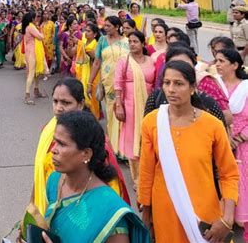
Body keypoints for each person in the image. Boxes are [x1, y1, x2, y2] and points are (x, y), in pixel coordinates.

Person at [139, 61, 239, 243]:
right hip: (166, 214)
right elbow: (146, 174)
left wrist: (227, 218)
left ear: (193, 88)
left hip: (204, 215)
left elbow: (229, 174)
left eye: (178, 84)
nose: (171, 89)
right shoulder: (151, 123)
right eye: (167, 83)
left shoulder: (212, 125)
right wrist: (146, 219)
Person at [41, 111, 150, 243]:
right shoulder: (54, 181)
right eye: (55, 142)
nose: (53, 149)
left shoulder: (110, 210)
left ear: (86, 154)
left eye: (62, 144)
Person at [32, 79, 130, 218]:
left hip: (83, 212)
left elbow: (108, 182)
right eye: (55, 101)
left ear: (81, 104)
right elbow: (39, 173)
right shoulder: (48, 130)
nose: (59, 108)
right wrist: (32, 206)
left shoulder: (92, 137)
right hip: (51, 204)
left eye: (66, 103)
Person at [114, 30, 155, 189]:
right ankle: (137, 179)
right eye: (130, 41)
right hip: (130, 106)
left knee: (147, 140)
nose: (132, 44)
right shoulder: (124, 61)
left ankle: (148, 174)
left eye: (135, 41)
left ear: (143, 43)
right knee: (133, 141)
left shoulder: (151, 61)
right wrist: (119, 105)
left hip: (148, 105)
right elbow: (118, 84)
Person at [144, 44, 226, 124]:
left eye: (179, 84)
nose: (179, 70)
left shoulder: (208, 102)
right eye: (174, 65)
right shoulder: (155, 98)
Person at [215, 48, 248, 240]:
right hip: (220, 147)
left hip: (242, 148)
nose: (217, 64)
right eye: (216, 60)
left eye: (222, 61)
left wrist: (237, 139)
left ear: (235, 65)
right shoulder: (214, 86)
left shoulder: (245, 87)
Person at [88, 16, 129, 153]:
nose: (105, 28)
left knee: (126, 113)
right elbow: (97, 62)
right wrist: (90, 82)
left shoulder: (126, 42)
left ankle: (125, 148)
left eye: (108, 26)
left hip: (126, 82)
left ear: (117, 27)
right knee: (111, 114)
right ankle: (115, 149)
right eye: (104, 26)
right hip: (108, 82)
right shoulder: (102, 40)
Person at [74, 22, 101, 117]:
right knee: (83, 97)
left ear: (95, 34)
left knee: (92, 99)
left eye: (89, 31)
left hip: (93, 75)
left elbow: (96, 57)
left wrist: (84, 48)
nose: (86, 33)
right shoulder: (84, 43)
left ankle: (94, 118)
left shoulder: (96, 44)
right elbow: (72, 53)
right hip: (83, 73)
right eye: (85, 30)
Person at [23, 11, 48, 105]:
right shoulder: (31, 27)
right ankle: (27, 95)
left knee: (36, 72)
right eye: (36, 17)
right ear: (32, 19)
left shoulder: (29, 27)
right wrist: (41, 31)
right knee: (32, 73)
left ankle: (36, 90)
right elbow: (41, 37)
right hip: (32, 52)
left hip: (32, 51)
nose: (37, 19)